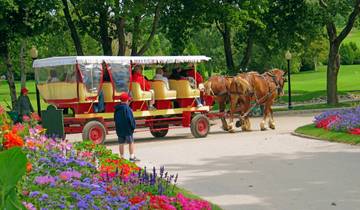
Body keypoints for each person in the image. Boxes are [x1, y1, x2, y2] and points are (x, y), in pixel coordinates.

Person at [114, 92, 139, 162]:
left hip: (119, 129)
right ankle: (132, 157)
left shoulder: (117, 109)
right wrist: (133, 127)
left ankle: (121, 157)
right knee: (131, 142)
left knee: (121, 143)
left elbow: (115, 119)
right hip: (127, 129)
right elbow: (130, 119)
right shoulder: (127, 109)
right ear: (127, 100)